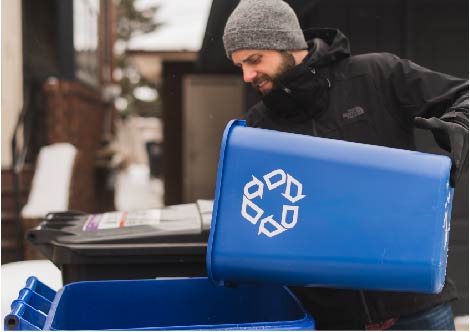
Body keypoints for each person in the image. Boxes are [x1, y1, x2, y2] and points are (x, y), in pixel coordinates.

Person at [222, 0, 468, 330]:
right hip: (333, 318)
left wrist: (459, 123)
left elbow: (464, 94)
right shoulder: (259, 126)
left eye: (254, 60)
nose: (248, 75)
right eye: (240, 65)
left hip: (415, 305)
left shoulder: (376, 74)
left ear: (287, 45)